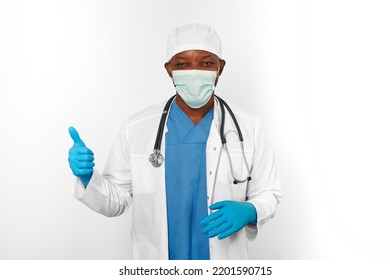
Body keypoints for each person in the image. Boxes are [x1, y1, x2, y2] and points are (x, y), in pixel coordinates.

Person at [68, 23, 282, 260]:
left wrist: (251, 210)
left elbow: (270, 193)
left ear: (221, 67)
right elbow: (116, 200)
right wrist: (89, 178)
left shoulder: (249, 126)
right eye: (182, 64)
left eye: (206, 63)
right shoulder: (138, 127)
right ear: (169, 69)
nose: (194, 71)